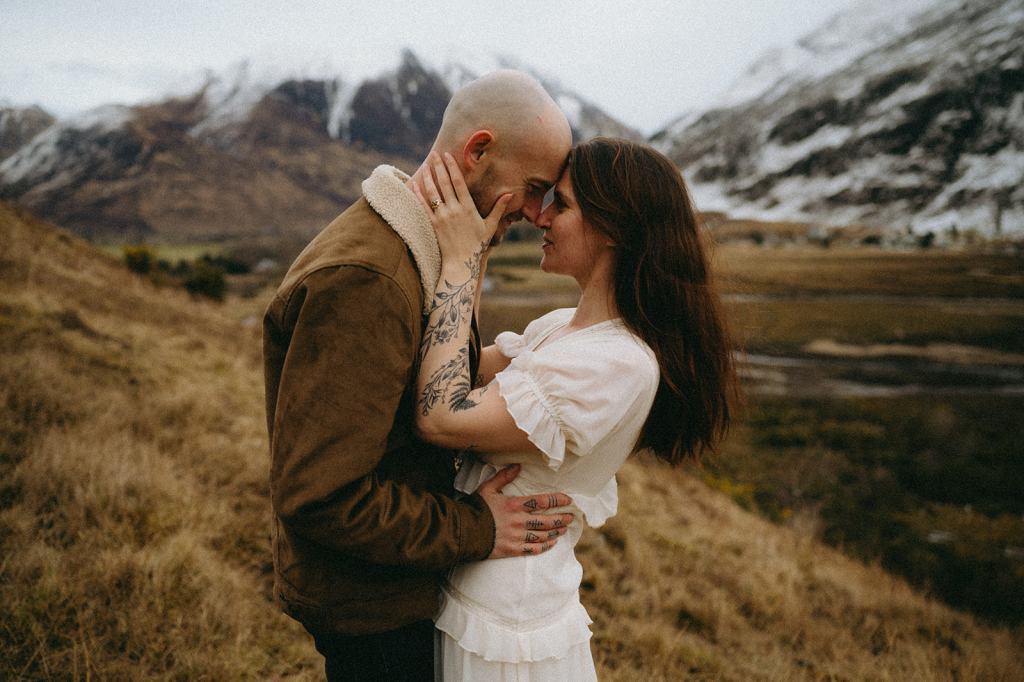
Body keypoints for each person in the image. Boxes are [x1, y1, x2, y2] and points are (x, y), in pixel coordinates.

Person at [263, 70, 575, 681]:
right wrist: (476, 528)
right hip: (371, 606)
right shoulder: (368, 279)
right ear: (478, 151)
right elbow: (323, 497)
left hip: (396, 585)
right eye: (534, 188)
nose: (539, 213)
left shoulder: (421, 251)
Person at [411, 137, 737, 680]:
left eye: (559, 204)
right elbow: (457, 369)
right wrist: (481, 248)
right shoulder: (562, 328)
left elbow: (440, 414)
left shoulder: (617, 363)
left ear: (612, 228)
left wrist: (462, 262)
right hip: (478, 594)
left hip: (505, 629)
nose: (539, 216)